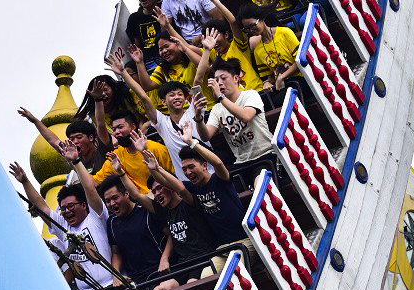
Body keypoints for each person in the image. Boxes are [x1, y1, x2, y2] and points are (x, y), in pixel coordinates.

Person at [8, 143, 114, 290]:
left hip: (111, 286)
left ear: (84, 205)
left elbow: (90, 190)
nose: (66, 211)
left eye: (71, 206)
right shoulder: (63, 226)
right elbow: (42, 207)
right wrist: (25, 181)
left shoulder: (96, 216)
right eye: (63, 209)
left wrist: (76, 162)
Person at [107, 52, 205, 181]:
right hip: (186, 181)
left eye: (180, 94)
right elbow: (143, 97)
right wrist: (123, 73)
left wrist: (207, 51)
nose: (176, 97)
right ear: (163, 102)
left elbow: (197, 81)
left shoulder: (194, 110)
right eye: (171, 95)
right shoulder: (162, 122)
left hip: (209, 172)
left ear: (185, 98)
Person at [137, 149, 218, 290]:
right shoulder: (164, 210)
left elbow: (180, 189)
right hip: (182, 263)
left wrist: (156, 167)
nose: (156, 194)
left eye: (160, 188)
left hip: (202, 258)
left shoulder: (189, 202)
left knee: (191, 286)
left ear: (170, 187)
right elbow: (137, 197)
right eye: (154, 192)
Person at [192, 58, 277, 188]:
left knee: (260, 187)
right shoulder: (217, 109)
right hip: (241, 163)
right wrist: (198, 117)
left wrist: (221, 97)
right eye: (216, 80)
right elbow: (205, 136)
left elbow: (246, 116)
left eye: (223, 78)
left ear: (236, 79)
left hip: (264, 156)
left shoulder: (250, 95)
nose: (219, 83)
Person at [102, 169, 172, 290]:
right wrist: (116, 275)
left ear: (127, 194)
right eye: (107, 201)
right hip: (134, 281)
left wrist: (164, 259)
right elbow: (116, 252)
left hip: (158, 273)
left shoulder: (146, 209)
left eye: (115, 198)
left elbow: (171, 235)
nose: (112, 204)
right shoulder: (111, 222)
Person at [18, 107, 112, 181]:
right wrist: (35, 120)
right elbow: (53, 141)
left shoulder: (103, 150)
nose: (75, 142)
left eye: (79, 137)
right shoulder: (72, 156)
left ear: (91, 137)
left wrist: (98, 100)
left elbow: (101, 123)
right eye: (71, 139)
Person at [92, 112, 175, 191]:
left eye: (120, 127)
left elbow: (175, 177)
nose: (117, 132)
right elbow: (94, 182)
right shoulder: (116, 156)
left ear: (133, 127)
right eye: (114, 129)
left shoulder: (155, 148)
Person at [238, 3, 301, 91]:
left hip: (300, 78)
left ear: (262, 19)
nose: (251, 30)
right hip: (283, 85)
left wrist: (282, 77)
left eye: (252, 25)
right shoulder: (257, 51)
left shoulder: (284, 33)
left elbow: (300, 61)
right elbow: (270, 76)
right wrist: (266, 83)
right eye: (247, 28)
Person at [124, 0, 163, 74]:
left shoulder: (165, 11)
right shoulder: (134, 19)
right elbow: (137, 44)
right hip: (147, 61)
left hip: (164, 53)